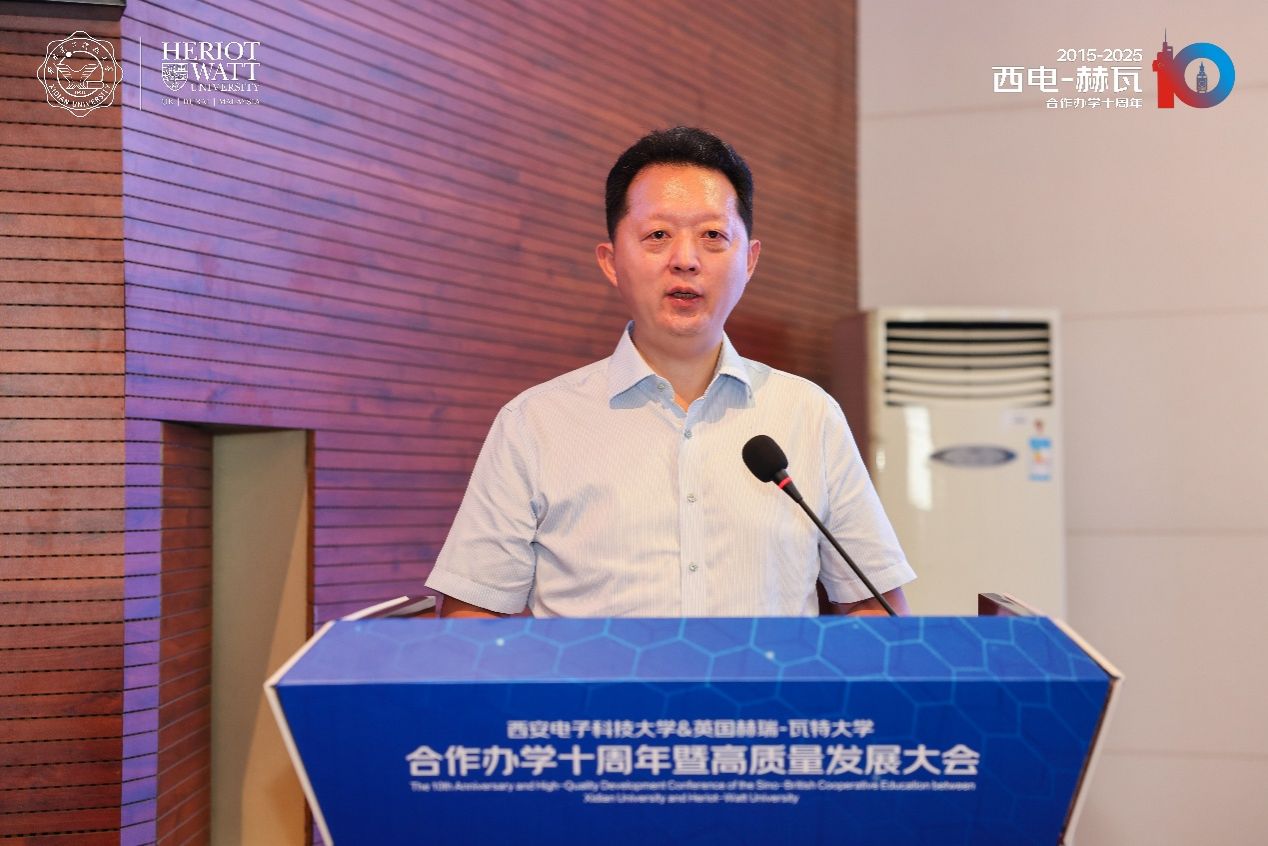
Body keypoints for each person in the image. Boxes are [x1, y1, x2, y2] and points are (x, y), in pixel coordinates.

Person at [425, 127, 914, 618]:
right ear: (611, 261)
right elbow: (472, 617)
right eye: (658, 235)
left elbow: (873, 607)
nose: (686, 260)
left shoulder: (809, 414)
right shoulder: (534, 424)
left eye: (713, 236)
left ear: (749, 260)